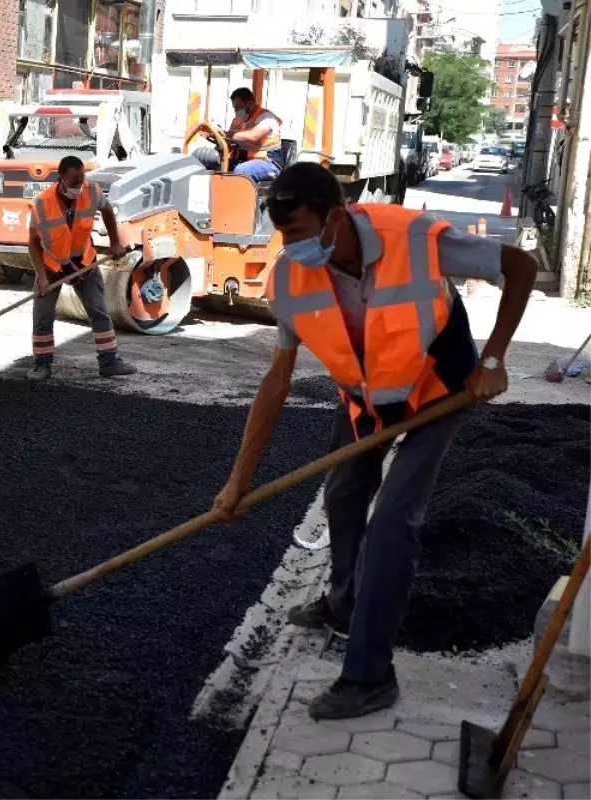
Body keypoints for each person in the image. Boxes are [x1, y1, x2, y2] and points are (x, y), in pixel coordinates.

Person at [213, 163, 537, 720]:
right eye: (281, 233)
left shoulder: (412, 237)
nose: (289, 246)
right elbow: (276, 382)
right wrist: (237, 480)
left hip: (439, 394)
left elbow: (522, 266)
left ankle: (369, 676)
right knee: (343, 494)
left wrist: (493, 359)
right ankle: (343, 605)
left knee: (392, 523)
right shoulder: (291, 280)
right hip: (368, 403)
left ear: (335, 216)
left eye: (297, 231)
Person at [27, 155, 138, 381]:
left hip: (84, 263)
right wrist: (41, 276)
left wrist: (115, 242)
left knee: (99, 311)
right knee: (42, 315)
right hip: (52, 265)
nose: (79, 185)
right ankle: (42, 365)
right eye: (74, 180)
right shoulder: (41, 204)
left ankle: (109, 362)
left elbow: (108, 211)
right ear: (61, 178)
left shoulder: (92, 191)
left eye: (81, 179)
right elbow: (33, 243)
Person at [190, 88, 284, 180]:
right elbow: (230, 140)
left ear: (250, 104)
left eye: (239, 108)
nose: (237, 111)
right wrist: (214, 135)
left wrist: (226, 134)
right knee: (216, 166)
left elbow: (253, 137)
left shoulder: (267, 118)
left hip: (268, 161)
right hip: (247, 159)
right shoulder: (239, 119)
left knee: (241, 171)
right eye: (235, 108)